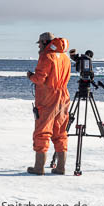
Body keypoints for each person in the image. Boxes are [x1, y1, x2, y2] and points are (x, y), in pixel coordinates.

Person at [26, 32, 71, 175]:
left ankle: (39, 168)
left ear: (45, 42)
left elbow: (40, 79)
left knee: (42, 132)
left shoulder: (46, 56)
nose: (38, 46)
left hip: (47, 98)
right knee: (60, 132)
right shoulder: (65, 57)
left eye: (39, 43)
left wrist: (30, 76)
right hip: (63, 97)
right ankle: (61, 167)